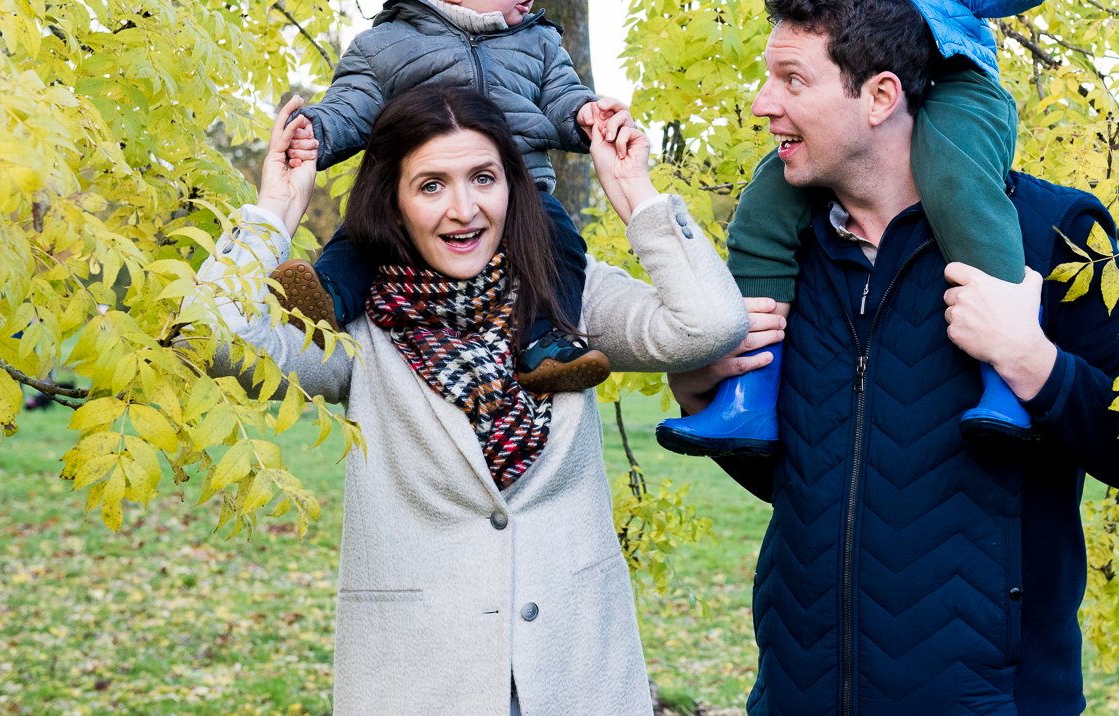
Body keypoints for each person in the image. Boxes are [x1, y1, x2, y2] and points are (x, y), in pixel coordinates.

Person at [527, 0, 1059, 452]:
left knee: (957, 184)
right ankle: (750, 391)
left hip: (947, 79)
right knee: (765, 208)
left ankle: (1005, 374)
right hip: (842, 103)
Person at [668, 0, 1119, 714]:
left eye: (792, 80)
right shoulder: (784, 256)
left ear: (880, 96)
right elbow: (821, 490)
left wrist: (1036, 365)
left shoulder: (1051, 233)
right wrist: (703, 388)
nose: (762, 104)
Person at [198, 84, 747, 716]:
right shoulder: (356, 325)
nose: (464, 209)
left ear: (512, 187)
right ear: (394, 202)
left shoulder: (568, 294)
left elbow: (708, 324)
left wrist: (634, 195)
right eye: (431, 185)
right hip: (421, 681)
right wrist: (274, 210)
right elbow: (213, 339)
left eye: (483, 178)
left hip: (575, 676)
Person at [276, 0, 630, 393]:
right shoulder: (386, 45)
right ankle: (327, 299)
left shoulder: (538, 42)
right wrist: (317, 130)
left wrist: (585, 115)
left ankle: (545, 341)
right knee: (362, 233)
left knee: (560, 240)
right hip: (415, 199)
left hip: (518, 192)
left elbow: (561, 96)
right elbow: (350, 103)